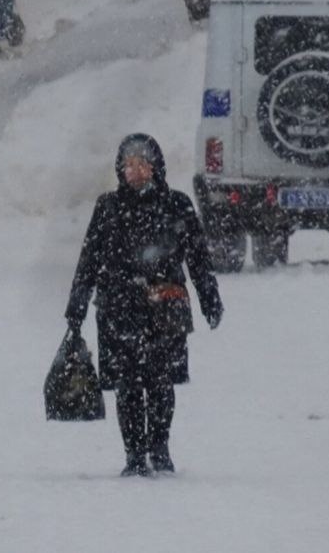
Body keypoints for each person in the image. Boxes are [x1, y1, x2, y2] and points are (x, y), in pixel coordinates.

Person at [64, 134, 224, 476]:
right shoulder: (108, 206)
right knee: (128, 385)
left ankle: (160, 448)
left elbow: (197, 258)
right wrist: (77, 302)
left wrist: (209, 296)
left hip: (164, 307)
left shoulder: (177, 205)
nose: (134, 171)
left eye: (142, 164)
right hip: (119, 308)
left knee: (161, 382)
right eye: (128, 165)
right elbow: (89, 259)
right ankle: (134, 455)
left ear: (156, 167)